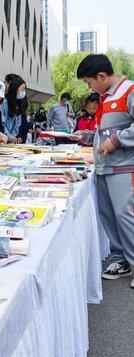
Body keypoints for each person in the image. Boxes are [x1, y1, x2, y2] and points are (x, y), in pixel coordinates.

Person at [72, 54, 134, 287]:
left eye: (89, 82)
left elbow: (116, 135)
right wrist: (88, 137)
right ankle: (121, 259)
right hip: (105, 167)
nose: (90, 87)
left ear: (101, 76)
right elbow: (104, 132)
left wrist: (117, 141)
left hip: (124, 166)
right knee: (109, 216)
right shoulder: (105, 97)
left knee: (125, 216)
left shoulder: (128, 91)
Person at [0, 76, 27, 143]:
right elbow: (1, 124)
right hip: (1, 140)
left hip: (10, 142)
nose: (24, 92)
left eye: (25, 89)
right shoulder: (3, 103)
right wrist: (10, 138)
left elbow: (17, 124)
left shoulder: (18, 105)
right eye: (22, 89)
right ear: (15, 89)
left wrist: (14, 138)